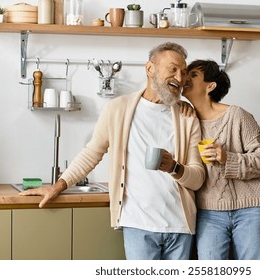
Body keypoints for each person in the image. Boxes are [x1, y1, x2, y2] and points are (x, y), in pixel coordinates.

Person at [21, 42, 205, 260]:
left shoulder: (187, 117)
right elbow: (92, 153)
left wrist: (174, 167)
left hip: (180, 227)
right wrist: (58, 186)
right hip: (138, 224)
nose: (180, 78)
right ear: (150, 69)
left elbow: (197, 178)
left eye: (183, 72)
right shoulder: (118, 109)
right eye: (172, 69)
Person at [182, 59, 260, 260]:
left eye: (193, 75)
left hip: (250, 209)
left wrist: (226, 158)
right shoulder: (186, 120)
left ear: (210, 86)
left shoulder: (237, 115)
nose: (185, 78)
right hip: (208, 211)